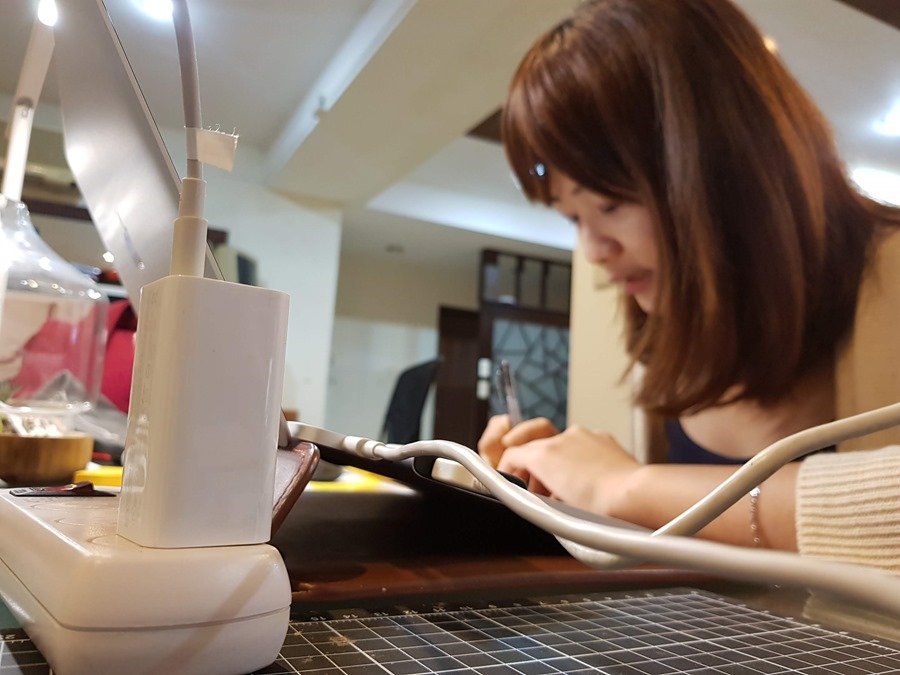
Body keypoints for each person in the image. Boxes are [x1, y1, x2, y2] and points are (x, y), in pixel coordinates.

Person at [477, 0, 900, 565]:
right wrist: (566, 498)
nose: (595, 251)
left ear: (728, 161)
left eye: (610, 203)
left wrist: (628, 486)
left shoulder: (888, 273)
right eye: (573, 217)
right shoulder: (671, 333)